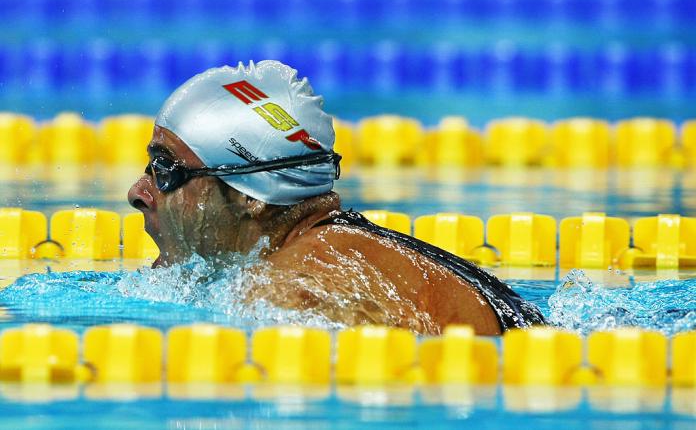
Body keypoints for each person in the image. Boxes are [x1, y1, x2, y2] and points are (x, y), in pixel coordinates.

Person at [127, 60, 545, 335]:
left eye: (165, 169)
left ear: (251, 196)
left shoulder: (289, 285)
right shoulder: (344, 250)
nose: (138, 193)